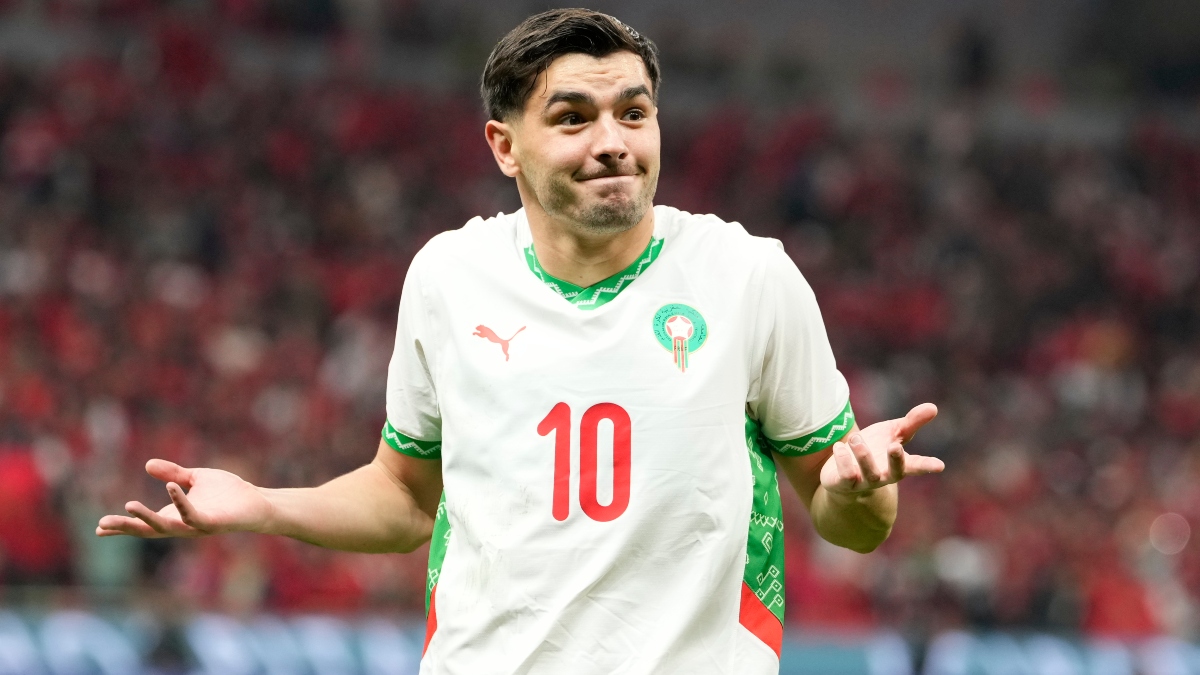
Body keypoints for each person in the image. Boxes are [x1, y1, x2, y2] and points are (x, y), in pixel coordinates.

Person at [98, 8, 945, 674]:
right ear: (504, 146)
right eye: (572, 118)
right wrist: (262, 504)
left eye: (634, 113)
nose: (612, 142)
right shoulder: (449, 276)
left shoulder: (749, 275)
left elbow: (856, 525)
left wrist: (857, 486)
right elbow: (405, 498)